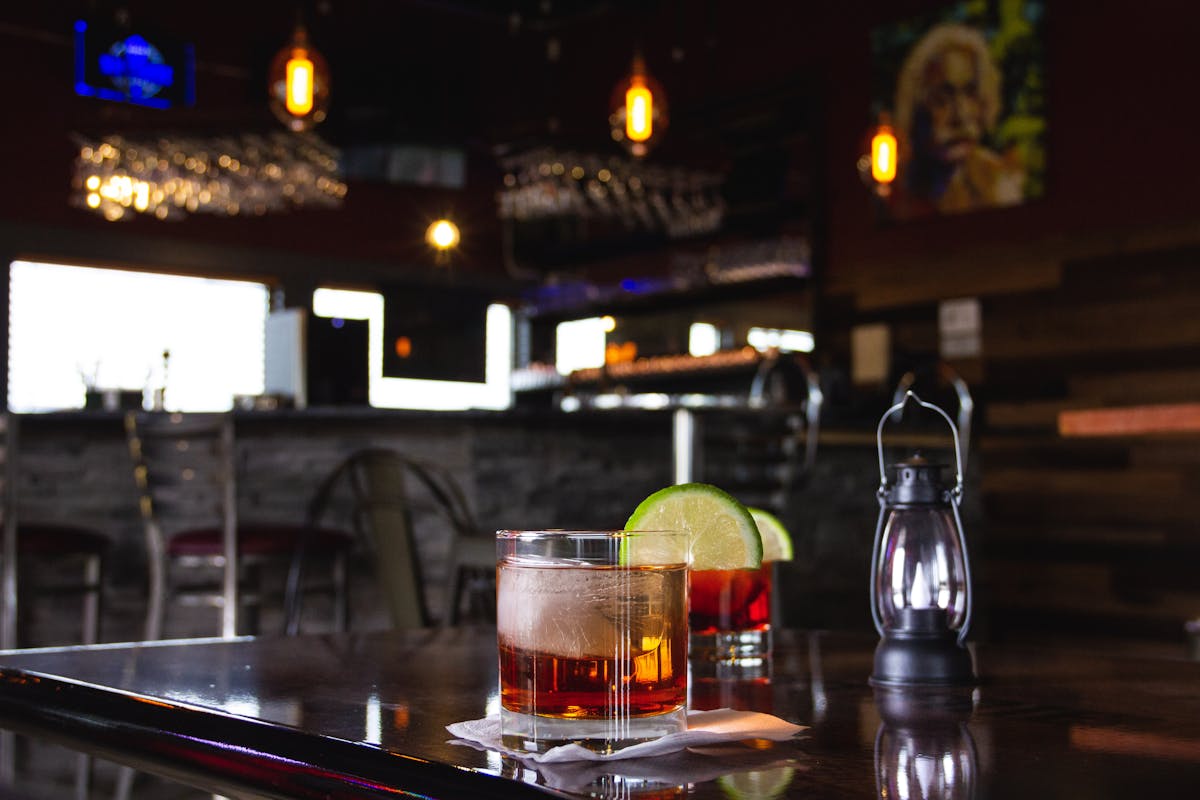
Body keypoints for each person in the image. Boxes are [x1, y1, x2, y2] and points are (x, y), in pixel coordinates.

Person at [892, 23, 1025, 215]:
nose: (961, 116)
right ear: (915, 107)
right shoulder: (898, 193)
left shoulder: (999, 183)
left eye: (971, 93)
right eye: (941, 99)